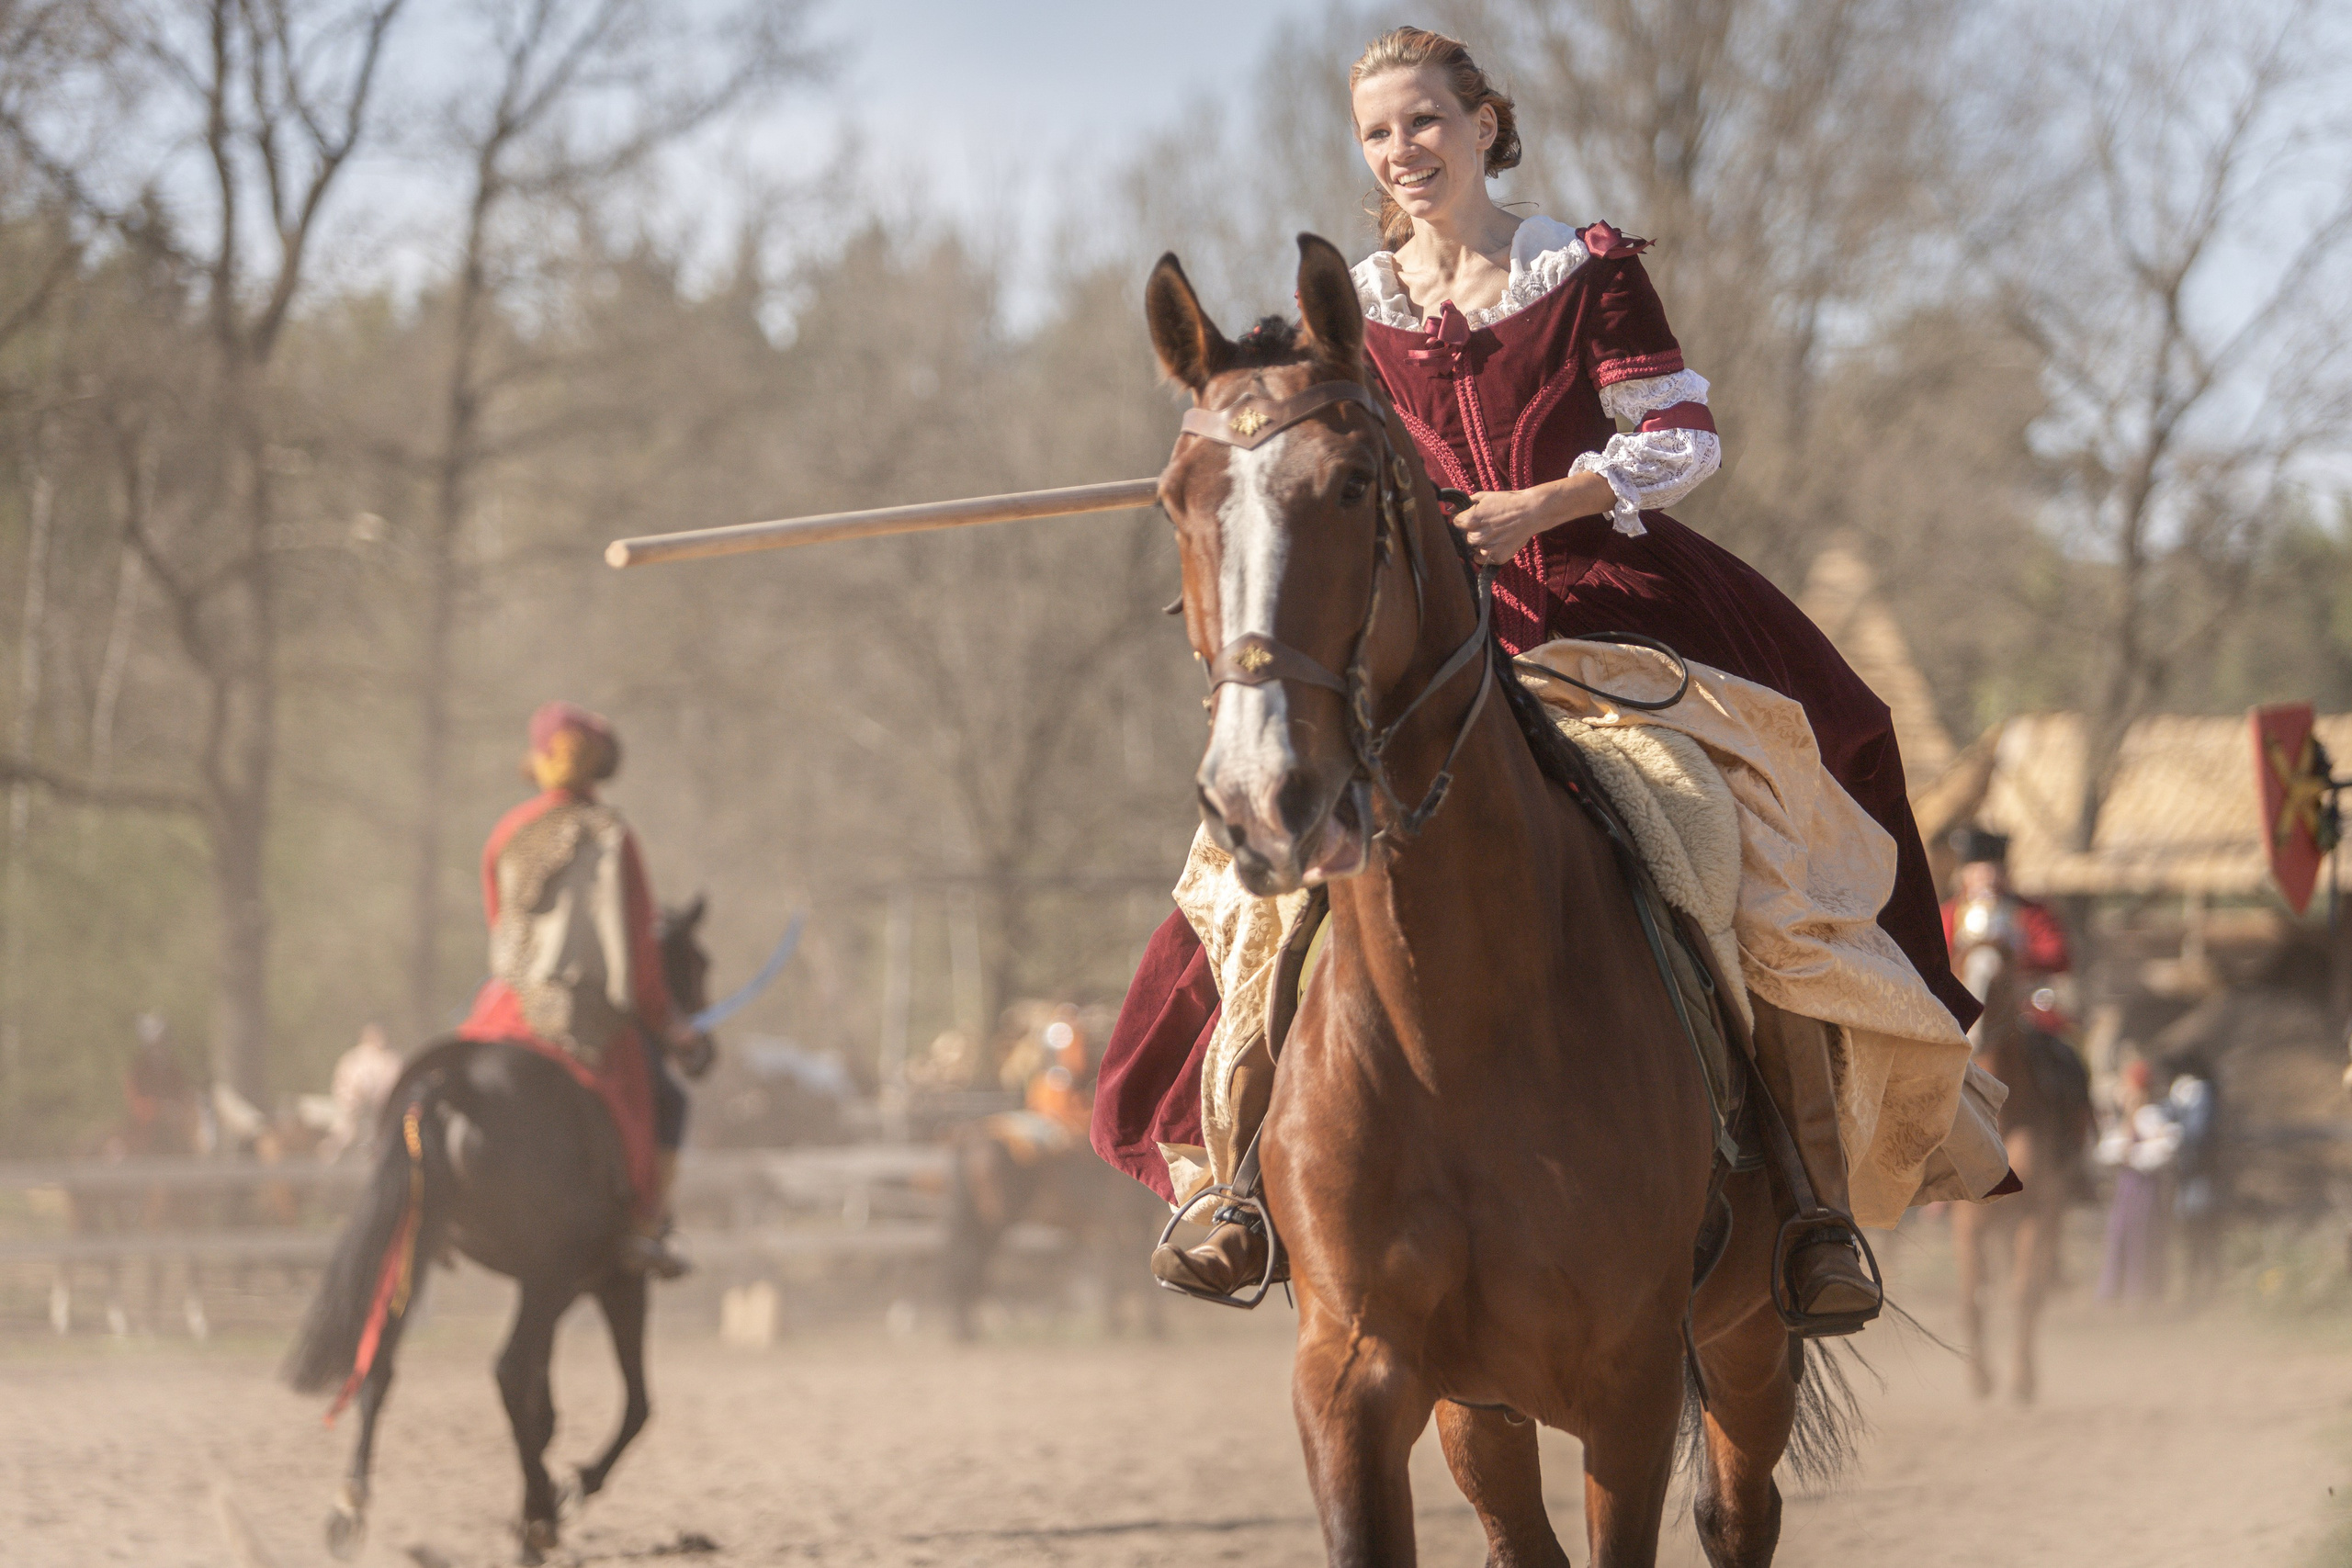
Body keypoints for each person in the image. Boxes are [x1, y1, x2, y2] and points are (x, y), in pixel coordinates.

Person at [1100, 26, 1989, 1332]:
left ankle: (1805, 1202)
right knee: (1245, 874)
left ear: (1484, 123)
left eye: (1424, 121)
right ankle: (1233, 1182)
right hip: (1423, 646)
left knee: (1740, 847)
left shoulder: (1583, 269)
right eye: (1378, 132)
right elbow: (1283, 426)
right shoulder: (1350, 308)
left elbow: (1680, 436)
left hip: (1601, 612)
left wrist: (1545, 502)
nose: (1403, 150)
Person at [455, 701, 701, 1278]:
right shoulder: (613, 836)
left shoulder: (507, 832)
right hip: (583, 1016)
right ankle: (643, 1227)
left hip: (506, 1006)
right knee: (668, 1101)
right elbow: (640, 952)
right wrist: (666, 1022)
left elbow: (498, 924)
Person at [1942, 828, 2073, 1031]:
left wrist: (2013, 958)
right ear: (1965, 875)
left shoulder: (2030, 911)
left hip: (2021, 1000)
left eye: (1992, 871)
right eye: (1978, 872)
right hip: (1958, 1000)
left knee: (2054, 1041)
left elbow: (2057, 954)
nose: (1986, 878)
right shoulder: (1949, 913)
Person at [2096, 1059, 2179, 1303]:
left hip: (2143, 1188)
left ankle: (2139, 1296)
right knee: (2120, 1237)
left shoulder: (2148, 1116)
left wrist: (2134, 1154)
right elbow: (2106, 1148)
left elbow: (2167, 1146)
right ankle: (2116, 1296)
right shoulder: (2127, 1117)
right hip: (2127, 1188)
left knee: (2140, 1241)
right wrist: (2119, 1151)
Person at [319, 1023, 404, 1164]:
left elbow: (394, 1087)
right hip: (356, 1114)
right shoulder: (354, 1060)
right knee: (342, 1137)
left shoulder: (389, 1060)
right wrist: (356, 1104)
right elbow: (345, 1087)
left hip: (379, 1114)